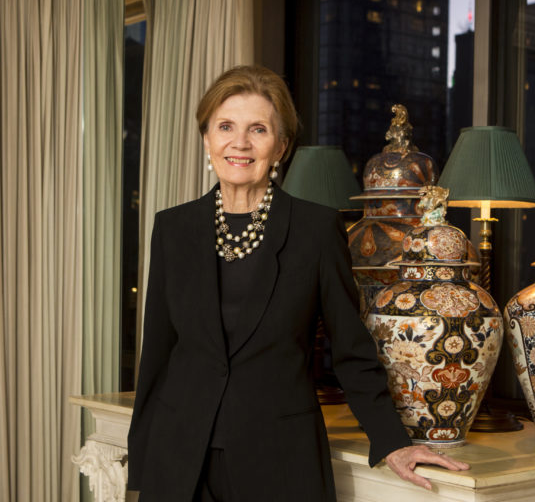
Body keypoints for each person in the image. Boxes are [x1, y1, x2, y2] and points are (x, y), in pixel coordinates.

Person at [127, 65, 468, 501]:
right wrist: (141, 466)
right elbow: (157, 352)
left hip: (280, 462)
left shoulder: (315, 230)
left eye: (258, 130)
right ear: (207, 138)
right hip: (177, 461)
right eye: (226, 126)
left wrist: (393, 440)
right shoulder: (172, 229)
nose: (240, 143)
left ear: (281, 146)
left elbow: (351, 349)